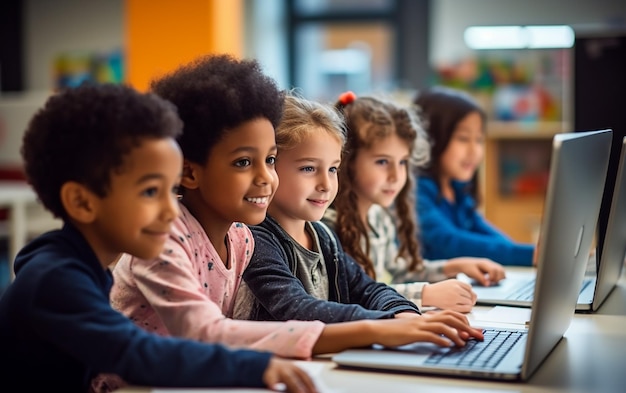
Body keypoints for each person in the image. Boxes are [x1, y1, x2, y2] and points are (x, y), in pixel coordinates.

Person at [102, 55, 483, 392]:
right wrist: (378, 328)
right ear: (189, 172)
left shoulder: (239, 238)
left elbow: (362, 287)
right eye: (242, 162)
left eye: (269, 160)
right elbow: (205, 332)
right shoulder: (162, 240)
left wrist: (403, 318)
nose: (266, 178)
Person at [0, 83, 317, 393]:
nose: (170, 210)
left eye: (170, 189)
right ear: (82, 202)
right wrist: (255, 367)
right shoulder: (55, 280)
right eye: (150, 192)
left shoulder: (77, 266)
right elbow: (138, 353)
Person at [232, 92, 484, 343]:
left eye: (332, 169)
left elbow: (367, 288)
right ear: (270, 167)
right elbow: (297, 308)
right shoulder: (256, 239)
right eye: (308, 168)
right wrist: (387, 325)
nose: (325, 184)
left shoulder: (322, 235)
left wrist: (404, 314)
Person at [323, 93, 506, 313]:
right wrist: (425, 295)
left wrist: (454, 266)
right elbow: (352, 296)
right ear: (346, 160)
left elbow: (400, 270)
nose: (395, 175)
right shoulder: (328, 227)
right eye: (382, 161)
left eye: (402, 162)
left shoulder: (377, 216)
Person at [414, 86, 535, 266]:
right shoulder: (416, 192)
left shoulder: (457, 190)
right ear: (430, 138)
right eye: (463, 138)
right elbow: (451, 243)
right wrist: (527, 255)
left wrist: (530, 254)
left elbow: (486, 234)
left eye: (479, 140)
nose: (474, 151)